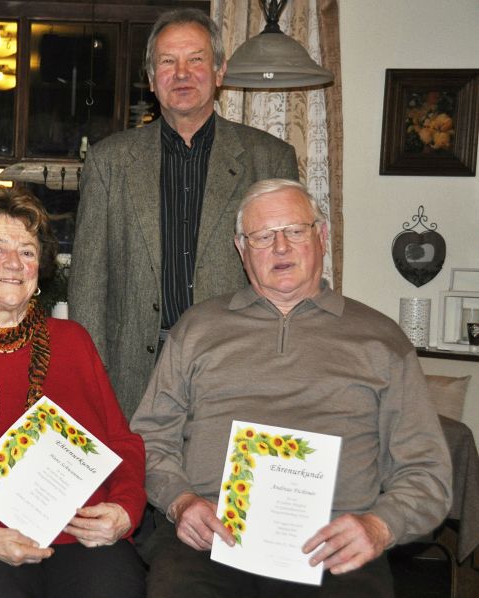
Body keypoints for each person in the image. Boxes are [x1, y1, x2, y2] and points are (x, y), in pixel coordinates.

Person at [130, 179, 453, 597]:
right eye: (263, 236)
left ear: (322, 237)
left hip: (335, 547)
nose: (280, 247)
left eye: (295, 231)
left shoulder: (381, 339)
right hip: (212, 539)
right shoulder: (196, 329)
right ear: (241, 249)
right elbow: (149, 439)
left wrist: (379, 526)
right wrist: (181, 501)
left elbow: (427, 472)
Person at [0, 189, 148, 598]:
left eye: (28, 252)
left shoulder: (73, 340)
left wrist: (125, 509)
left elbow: (122, 443)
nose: (14, 263)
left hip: (81, 534)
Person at [69, 8, 300, 418]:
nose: (181, 74)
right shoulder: (109, 161)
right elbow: (89, 280)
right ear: (150, 77)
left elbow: (289, 277)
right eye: (167, 62)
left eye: (195, 59)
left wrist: (278, 369)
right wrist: (91, 377)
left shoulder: (269, 158)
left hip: (237, 368)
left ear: (219, 71)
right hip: (133, 375)